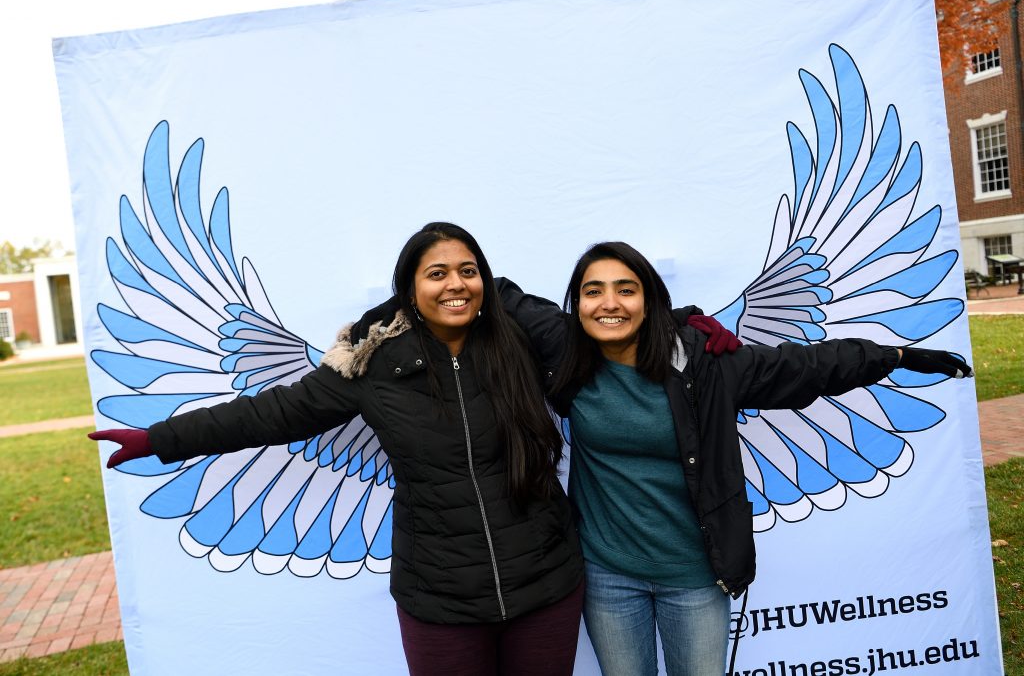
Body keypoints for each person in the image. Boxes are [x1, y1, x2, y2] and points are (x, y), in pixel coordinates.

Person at [92, 223, 600, 675]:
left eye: (468, 271)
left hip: (545, 584)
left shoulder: (520, 343)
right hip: (440, 598)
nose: (455, 285)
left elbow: (602, 331)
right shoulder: (373, 362)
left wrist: (679, 322)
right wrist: (159, 439)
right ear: (409, 288)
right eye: (437, 273)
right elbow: (273, 413)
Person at [489, 241, 972, 676]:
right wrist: (414, 293)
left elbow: (806, 367)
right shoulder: (562, 344)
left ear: (650, 300)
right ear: (577, 304)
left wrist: (895, 356)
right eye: (594, 291)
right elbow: (491, 292)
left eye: (626, 289)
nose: (609, 303)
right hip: (607, 574)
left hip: (695, 576)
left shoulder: (703, 363)